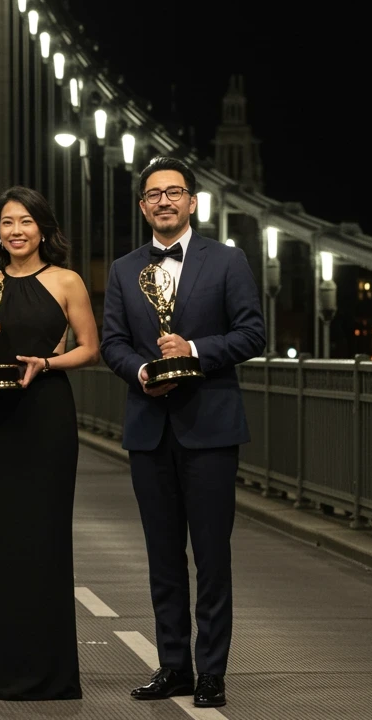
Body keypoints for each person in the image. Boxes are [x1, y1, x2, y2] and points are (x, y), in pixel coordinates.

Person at [100, 156, 265, 709]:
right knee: (163, 556)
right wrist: (142, 371)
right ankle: (174, 666)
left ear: (193, 202)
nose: (164, 202)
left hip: (211, 427)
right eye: (154, 195)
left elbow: (252, 333)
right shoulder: (124, 270)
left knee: (212, 556)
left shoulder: (228, 260)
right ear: (143, 205)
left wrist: (193, 352)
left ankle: (213, 670)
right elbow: (112, 343)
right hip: (149, 428)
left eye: (174, 193)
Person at [0, 186, 97, 701]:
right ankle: (6, 674)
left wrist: (45, 363)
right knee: (3, 545)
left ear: (42, 227)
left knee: (46, 540)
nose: (15, 231)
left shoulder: (66, 281)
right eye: (6, 223)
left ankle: (53, 674)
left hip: (47, 415)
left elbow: (90, 348)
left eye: (24, 221)